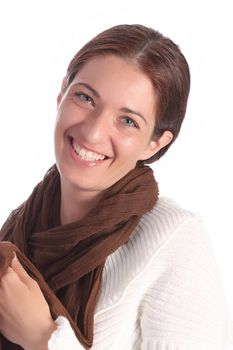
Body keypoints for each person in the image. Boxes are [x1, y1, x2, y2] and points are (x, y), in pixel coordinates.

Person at [0, 24, 232, 350]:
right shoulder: (20, 227)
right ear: (61, 93)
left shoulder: (174, 241)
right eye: (85, 97)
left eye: (128, 121)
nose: (93, 133)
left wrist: (41, 338)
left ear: (155, 144)